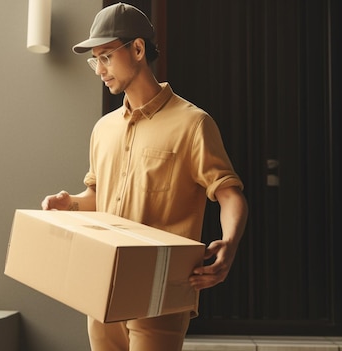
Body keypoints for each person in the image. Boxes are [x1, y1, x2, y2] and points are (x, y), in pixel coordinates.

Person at [41, 3, 248, 350]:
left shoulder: (192, 123)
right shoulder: (103, 130)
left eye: (105, 56)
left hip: (160, 293)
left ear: (137, 49)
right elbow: (99, 197)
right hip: (101, 285)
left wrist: (229, 244)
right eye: (95, 60)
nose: (99, 70)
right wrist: (71, 204)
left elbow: (229, 193)